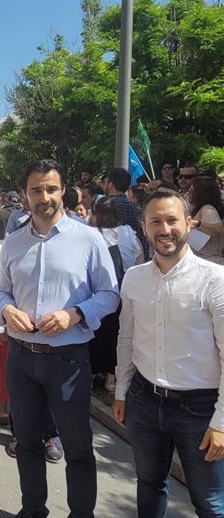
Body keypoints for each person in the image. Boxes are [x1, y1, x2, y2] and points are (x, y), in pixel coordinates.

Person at [0, 159, 120, 518]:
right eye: (36, 190)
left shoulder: (88, 238)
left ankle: (82, 514)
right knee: (28, 444)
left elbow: (110, 294)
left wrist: (75, 314)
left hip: (68, 361)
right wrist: (6, 310)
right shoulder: (14, 242)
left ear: (62, 190)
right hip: (22, 358)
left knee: (78, 447)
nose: (44, 196)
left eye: (51, 188)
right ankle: (33, 510)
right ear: (25, 195)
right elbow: (1, 292)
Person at [113, 190, 224, 517]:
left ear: (189, 222)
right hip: (145, 402)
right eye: (156, 221)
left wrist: (221, 422)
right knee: (148, 484)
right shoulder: (134, 278)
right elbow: (126, 338)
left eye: (172, 220)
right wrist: (121, 392)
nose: (165, 229)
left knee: (210, 502)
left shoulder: (215, 280)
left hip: (200, 409)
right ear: (144, 228)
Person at [88, 197, 143, 392]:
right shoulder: (129, 232)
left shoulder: (93, 234)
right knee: (119, 335)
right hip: (125, 290)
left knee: (96, 333)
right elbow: (139, 260)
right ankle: (111, 379)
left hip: (98, 292)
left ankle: (91, 373)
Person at [188, 176, 224, 264]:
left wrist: (196, 223)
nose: (188, 193)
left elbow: (218, 229)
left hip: (211, 261)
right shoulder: (201, 209)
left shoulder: (207, 209)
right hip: (204, 260)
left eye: (191, 191)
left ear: (200, 193)